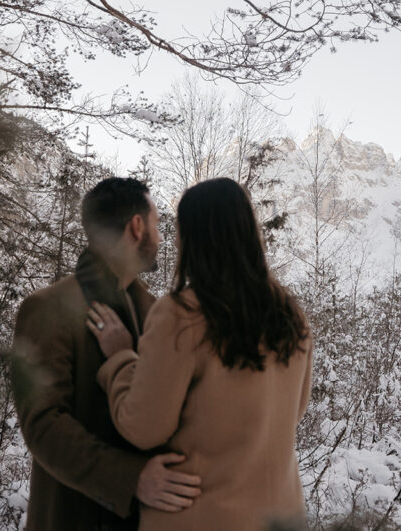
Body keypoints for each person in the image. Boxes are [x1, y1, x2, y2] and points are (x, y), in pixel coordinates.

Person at [87, 177, 313, 531]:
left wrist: (119, 359)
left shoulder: (182, 316)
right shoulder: (289, 313)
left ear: (192, 238)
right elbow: (293, 411)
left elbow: (143, 427)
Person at [11, 177, 202, 531]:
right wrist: (132, 479)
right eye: (157, 225)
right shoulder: (46, 309)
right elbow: (43, 425)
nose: (161, 238)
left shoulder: (156, 312)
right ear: (137, 226)